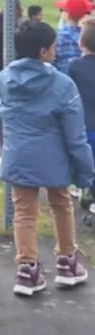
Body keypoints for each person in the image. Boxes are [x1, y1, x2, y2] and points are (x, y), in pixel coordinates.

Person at [0, 20, 93, 296]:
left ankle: (27, 269)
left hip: (18, 156)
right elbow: (76, 137)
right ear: (43, 51)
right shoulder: (62, 85)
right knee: (61, 204)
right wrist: (85, 172)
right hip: (54, 158)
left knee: (24, 211)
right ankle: (66, 261)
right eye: (51, 46)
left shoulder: (5, 78)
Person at [67, 19, 95, 212]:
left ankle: (83, 187)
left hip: (83, 125)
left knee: (84, 160)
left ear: (81, 43)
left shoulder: (74, 66)